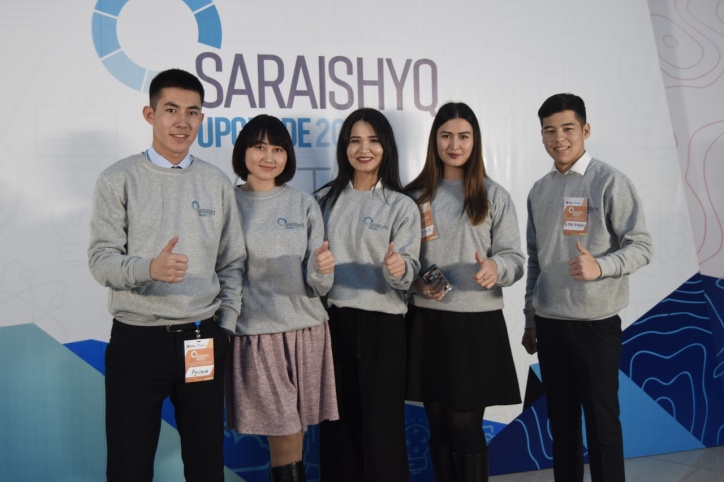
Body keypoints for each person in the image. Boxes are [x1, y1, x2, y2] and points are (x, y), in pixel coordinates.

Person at [87, 69, 245, 482]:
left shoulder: (215, 182)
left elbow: (232, 262)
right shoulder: (118, 178)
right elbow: (101, 260)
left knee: (207, 464)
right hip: (138, 340)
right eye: (171, 110)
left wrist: (226, 326)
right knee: (129, 465)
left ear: (201, 119)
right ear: (150, 114)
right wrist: (148, 269)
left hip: (202, 337)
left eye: (192, 112)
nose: (182, 122)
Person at [522, 93, 653, 482]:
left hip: (595, 325)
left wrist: (601, 266)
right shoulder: (538, 190)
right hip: (550, 325)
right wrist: (530, 318)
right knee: (561, 427)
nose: (559, 138)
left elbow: (642, 246)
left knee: (602, 426)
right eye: (549, 130)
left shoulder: (610, 181)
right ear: (542, 135)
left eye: (568, 128)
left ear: (586, 130)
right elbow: (535, 260)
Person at [405, 102, 524, 481]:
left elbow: (514, 258)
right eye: (446, 136)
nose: (454, 145)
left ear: (475, 141)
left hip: (476, 325)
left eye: (463, 136)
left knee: (465, 426)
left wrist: (495, 268)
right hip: (426, 322)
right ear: (434, 140)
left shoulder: (493, 195)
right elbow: (401, 261)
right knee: (438, 425)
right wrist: (417, 282)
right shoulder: (412, 196)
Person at [224, 114, 339, 482]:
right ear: (243, 151)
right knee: (285, 432)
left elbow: (319, 285)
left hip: (307, 331)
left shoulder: (303, 203)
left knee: (296, 433)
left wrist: (322, 268)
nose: (268, 157)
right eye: (259, 147)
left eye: (277, 149)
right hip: (257, 334)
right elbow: (223, 271)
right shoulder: (226, 203)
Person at [316, 108, 421, 482]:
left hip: (385, 326)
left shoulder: (401, 205)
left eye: (373, 141)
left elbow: (409, 271)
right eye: (355, 141)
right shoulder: (323, 201)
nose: (364, 149)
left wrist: (399, 269)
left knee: (382, 430)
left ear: (386, 146)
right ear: (344, 147)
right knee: (338, 426)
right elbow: (311, 269)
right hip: (333, 325)